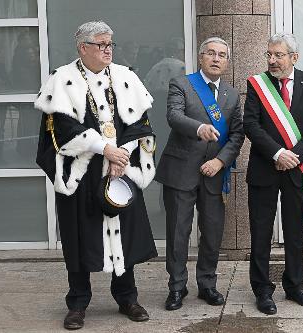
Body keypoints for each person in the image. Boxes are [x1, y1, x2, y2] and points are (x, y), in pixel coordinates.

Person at [35, 21, 157, 330]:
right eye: (101, 45)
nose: (107, 50)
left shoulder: (126, 77)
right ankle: (77, 303)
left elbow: (140, 124)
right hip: (82, 173)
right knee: (80, 237)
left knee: (123, 235)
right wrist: (105, 149)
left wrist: (122, 156)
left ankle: (127, 297)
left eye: (110, 45)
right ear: (83, 48)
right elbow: (62, 128)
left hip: (122, 169)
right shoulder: (61, 80)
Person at [155, 37, 244, 311]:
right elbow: (173, 116)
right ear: (201, 57)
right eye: (211, 54)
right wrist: (198, 128)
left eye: (222, 55)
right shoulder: (182, 84)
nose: (216, 59)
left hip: (214, 173)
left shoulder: (231, 94)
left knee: (212, 232)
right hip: (181, 171)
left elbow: (238, 134)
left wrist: (220, 161)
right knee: (178, 232)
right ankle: (177, 287)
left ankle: (207, 284)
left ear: (227, 62)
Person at [243, 33, 303, 315]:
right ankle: (262, 290)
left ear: (294, 58)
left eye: (278, 55)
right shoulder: (257, 84)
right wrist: (277, 153)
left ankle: (295, 285)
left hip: (295, 170)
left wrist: (295, 156)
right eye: (269, 55)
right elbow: (250, 124)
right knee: (261, 232)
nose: (272, 60)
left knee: (293, 231)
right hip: (265, 168)